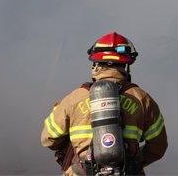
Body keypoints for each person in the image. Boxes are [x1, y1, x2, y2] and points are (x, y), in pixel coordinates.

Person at [41, 31, 168, 175]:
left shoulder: (74, 98)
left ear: (96, 65)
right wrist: (133, 164)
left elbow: (48, 139)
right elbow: (158, 147)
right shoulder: (143, 99)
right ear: (125, 65)